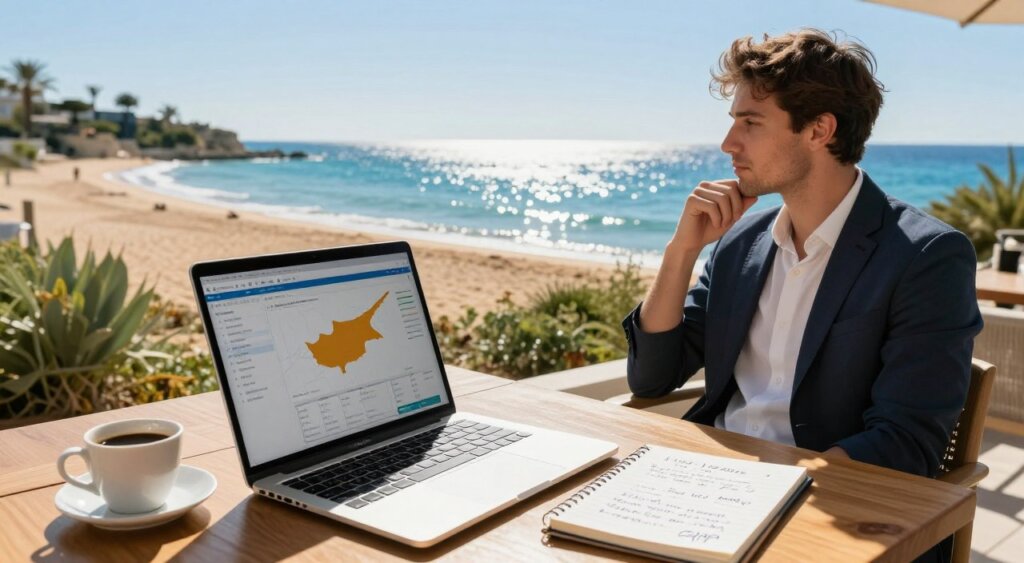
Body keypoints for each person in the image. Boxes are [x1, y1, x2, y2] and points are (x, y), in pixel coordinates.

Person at [622, 30, 981, 561]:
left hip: (829, 509)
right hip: (709, 488)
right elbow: (652, 376)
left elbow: (907, 441)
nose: (728, 145)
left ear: (819, 130)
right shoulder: (741, 242)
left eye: (750, 123)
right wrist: (681, 251)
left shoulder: (926, 257)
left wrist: (772, 493)